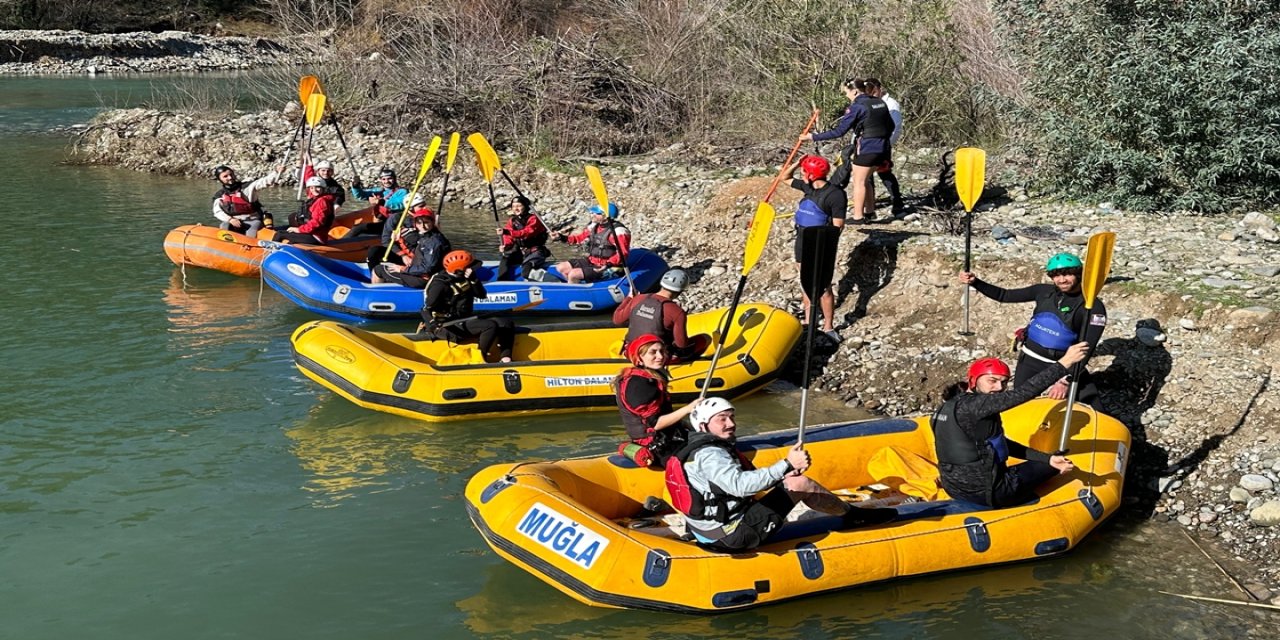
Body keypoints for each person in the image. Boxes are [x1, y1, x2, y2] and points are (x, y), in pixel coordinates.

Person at [665, 398, 896, 552]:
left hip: (706, 529)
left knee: (788, 479)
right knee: (799, 483)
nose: (731, 424)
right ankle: (853, 515)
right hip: (731, 536)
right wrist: (786, 464)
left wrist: (782, 472)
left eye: (731, 417)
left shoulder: (693, 447)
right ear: (704, 425)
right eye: (722, 419)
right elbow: (739, 486)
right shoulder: (711, 454)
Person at [932, 344, 1088, 508]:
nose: (999, 388)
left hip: (954, 488)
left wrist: (1047, 457)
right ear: (973, 380)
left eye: (1004, 382)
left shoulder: (945, 407)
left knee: (1048, 461)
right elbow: (1025, 392)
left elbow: (999, 445)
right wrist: (1065, 362)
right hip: (991, 494)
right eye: (992, 381)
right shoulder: (978, 405)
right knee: (1055, 466)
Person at [958, 252, 1108, 402]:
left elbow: (1085, 349)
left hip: (1064, 365)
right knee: (1018, 404)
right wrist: (975, 282)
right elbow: (1004, 295)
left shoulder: (1093, 307)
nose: (1061, 280)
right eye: (1056, 275)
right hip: (1030, 361)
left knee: (1095, 406)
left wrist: (1065, 380)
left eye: (1067, 274)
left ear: (1079, 274)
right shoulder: (1043, 291)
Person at [801, 77, 894, 222]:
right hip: (883, 147)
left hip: (867, 147)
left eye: (846, 92)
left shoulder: (857, 107)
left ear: (855, 91)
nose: (846, 96)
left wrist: (813, 137)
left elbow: (839, 131)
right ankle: (869, 212)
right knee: (867, 179)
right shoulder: (879, 102)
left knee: (859, 181)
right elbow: (891, 126)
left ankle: (858, 217)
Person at [612, 334, 700, 467]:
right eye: (653, 352)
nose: (660, 356)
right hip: (658, 448)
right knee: (709, 450)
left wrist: (682, 423)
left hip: (666, 439)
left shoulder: (645, 377)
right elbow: (655, 424)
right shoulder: (639, 385)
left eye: (662, 351)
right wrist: (689, 408)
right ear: (639, 358)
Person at [783, 154, 846, 340]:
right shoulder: (807, 187)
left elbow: (838, 225)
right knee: (805, 282)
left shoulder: (835, 195)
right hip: (802, 239)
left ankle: (828, 326)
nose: (801, 174)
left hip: (820, 243)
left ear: (810, 175)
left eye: (804, 171)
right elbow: (784, 178)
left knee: (823, 286)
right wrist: (797, 162)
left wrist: (826, 248)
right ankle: (810, 322)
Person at [420, 250, 516, 364]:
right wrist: (432, 323)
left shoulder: (467, 276)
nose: (473, 269)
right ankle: (480, 359)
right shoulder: (440, 284)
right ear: (459, 270)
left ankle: (506, 358)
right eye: (470, 267)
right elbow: (426, 308)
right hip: (447, 326)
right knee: (489, 326)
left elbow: (482, 295)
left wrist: (474, 280)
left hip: (464, 319)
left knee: (506, 323)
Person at [612, 268, 711, 363]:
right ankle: (690, 363)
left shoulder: (638, 298)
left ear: (662, 283)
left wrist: (629, 298)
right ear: (680, 291)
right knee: (705, 338)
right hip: (656, 357)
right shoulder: (677, 312)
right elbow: (681, 344)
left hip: (630, 351)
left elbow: (617, 320)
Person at [370, 206, 451, 287]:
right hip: (420, 273)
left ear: (432, 222)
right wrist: (399, 240)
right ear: (415, 224)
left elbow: (427, 268)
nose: (422, 226)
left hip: (423, 279)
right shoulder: (427, 236)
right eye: (419, 223)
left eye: (426, 222)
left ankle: (376, 295)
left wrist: (402, 269)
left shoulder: (433, 242)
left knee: (378, 270)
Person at [552, 203, 631, 284]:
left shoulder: (619, 232)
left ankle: (576, 290)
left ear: (604, 216)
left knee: (573, 274)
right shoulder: (594, 226)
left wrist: (608, 264)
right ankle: (578, 285)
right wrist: (561, 237)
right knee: (561, 267)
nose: (592, 214)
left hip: (611, 267)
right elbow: (578, 239)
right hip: (592, 262)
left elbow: (623, 254)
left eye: (596, 213)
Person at [864, 78, 905, 215]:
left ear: (879, 89)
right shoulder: (868, 103)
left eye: (874, 91)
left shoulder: (891, 104)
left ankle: (897, 203)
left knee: (885, 173)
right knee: (867, 176)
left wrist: (887, 144)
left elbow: (896, 127)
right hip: (868, 145)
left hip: (883, 144)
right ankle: (870, 204)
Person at [211, 164, 283, 238]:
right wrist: (230, 219)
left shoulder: (248, 187)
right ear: (220, 179)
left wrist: (276, 172)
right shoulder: (219, 196)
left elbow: (264, 181)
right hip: (234, 221)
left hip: (253, 220)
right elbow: (218, 212)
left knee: (251, 233)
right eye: (225, 176)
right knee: (224, 226)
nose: (230, 177)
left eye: (231, 174)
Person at [496, 195, 552, 281]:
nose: (516, 209)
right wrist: (506, 246)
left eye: (519, 206)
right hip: (521, 252)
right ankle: (501, 282)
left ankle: (551, 280)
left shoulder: (534, 219)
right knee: (505, 259)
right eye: (514, 206)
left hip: (535, 252)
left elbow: (527, 232)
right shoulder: (512, 221)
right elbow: (508, 237)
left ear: (525, 207)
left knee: (526, 271)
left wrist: (507, 232)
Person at [344, 167, 408, 240]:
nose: (386, 181)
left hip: (394, 224)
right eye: (384, 179)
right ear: (380, 180)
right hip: (382, 222)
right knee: (358, 228)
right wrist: (356, 186)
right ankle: (342, 242)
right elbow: (361, 195)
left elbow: (400, 204)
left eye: (389, 178)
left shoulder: (402, 192)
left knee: (359, 228)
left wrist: (380, 202)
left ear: (394, 179)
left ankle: (340, 244)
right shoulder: (378, 191)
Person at [272, 176, 336, 245]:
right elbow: (307, 178)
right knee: (291, 218)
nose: (314, 190)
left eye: (317, 187)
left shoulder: (322, 201)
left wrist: (299, 230)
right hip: (311, 233)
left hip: (315, 237)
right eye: (312, 188)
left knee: (279, 234)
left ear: (323, 188)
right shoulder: (315, 198)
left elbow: (317, 222)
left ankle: (270, 252)